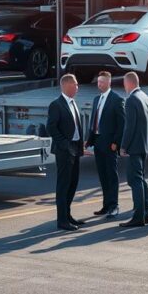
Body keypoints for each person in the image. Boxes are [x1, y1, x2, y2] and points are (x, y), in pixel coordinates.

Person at [47, 73, 86, 231]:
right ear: (67, 85)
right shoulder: (56, 105)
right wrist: (64, 144)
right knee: (63, 185)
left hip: (75, 149)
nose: (77, 87)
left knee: (73, 183)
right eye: (75, 84)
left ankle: (68, 215)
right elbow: (51, 127)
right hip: (64, 150)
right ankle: (62, 220)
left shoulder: (73, 102)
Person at [85, 71, 125, 218]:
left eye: (102, 82)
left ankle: (114, 206)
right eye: (98, 82)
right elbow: (94, 122)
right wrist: (89, 141)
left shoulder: (117, 99)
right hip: (98, 143)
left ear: (109, 82)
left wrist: (116, 142)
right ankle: (106, 205)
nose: (99, 84)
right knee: (102, 176)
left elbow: (121, 124)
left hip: (110, 144)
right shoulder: (97, 99)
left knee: (111, 175)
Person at [119, 72, 148, 227]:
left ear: (129, 83)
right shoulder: (145, 97)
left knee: (134, 180)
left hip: (134, 146)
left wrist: (123, 146)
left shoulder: (131, 100)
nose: (124, 87)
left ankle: (139, 216)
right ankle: (145, 214)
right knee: (141, 179)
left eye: (124, 84)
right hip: (144, 144)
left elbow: (129, 126)